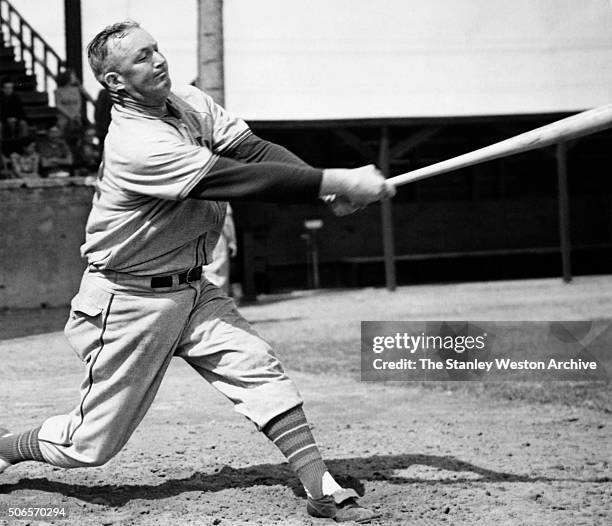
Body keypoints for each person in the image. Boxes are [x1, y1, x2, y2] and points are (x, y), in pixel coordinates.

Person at [0, 21, 394, 523]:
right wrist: (333, 180)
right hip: (129, 299)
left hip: (190, 285)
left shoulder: (187, 101)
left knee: (257, 367)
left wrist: (325, 189)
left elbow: (252, 152)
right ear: (116, 82)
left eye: (157, 49)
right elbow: (234, 177)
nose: (159, 60)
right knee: (89, 446)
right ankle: (9, 446)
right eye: (142, 57)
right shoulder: (136, 144)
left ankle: (321, 488)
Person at [204, 203, 237, 295]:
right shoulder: (220, 198)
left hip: (200, 238)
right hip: (216, 238)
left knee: (205, 270)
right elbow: (226, 222)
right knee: (217, 271)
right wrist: (232, 241)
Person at [0, 79, 29, 143]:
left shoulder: (16, 98)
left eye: (10, 88)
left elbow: (21, 112)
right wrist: (6, 119)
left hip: (15, 119)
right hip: (2, 120)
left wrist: (16, 119)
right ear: (2, 89)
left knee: (23, 124)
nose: (9, 90)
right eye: (7, 88)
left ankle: (24, 145)